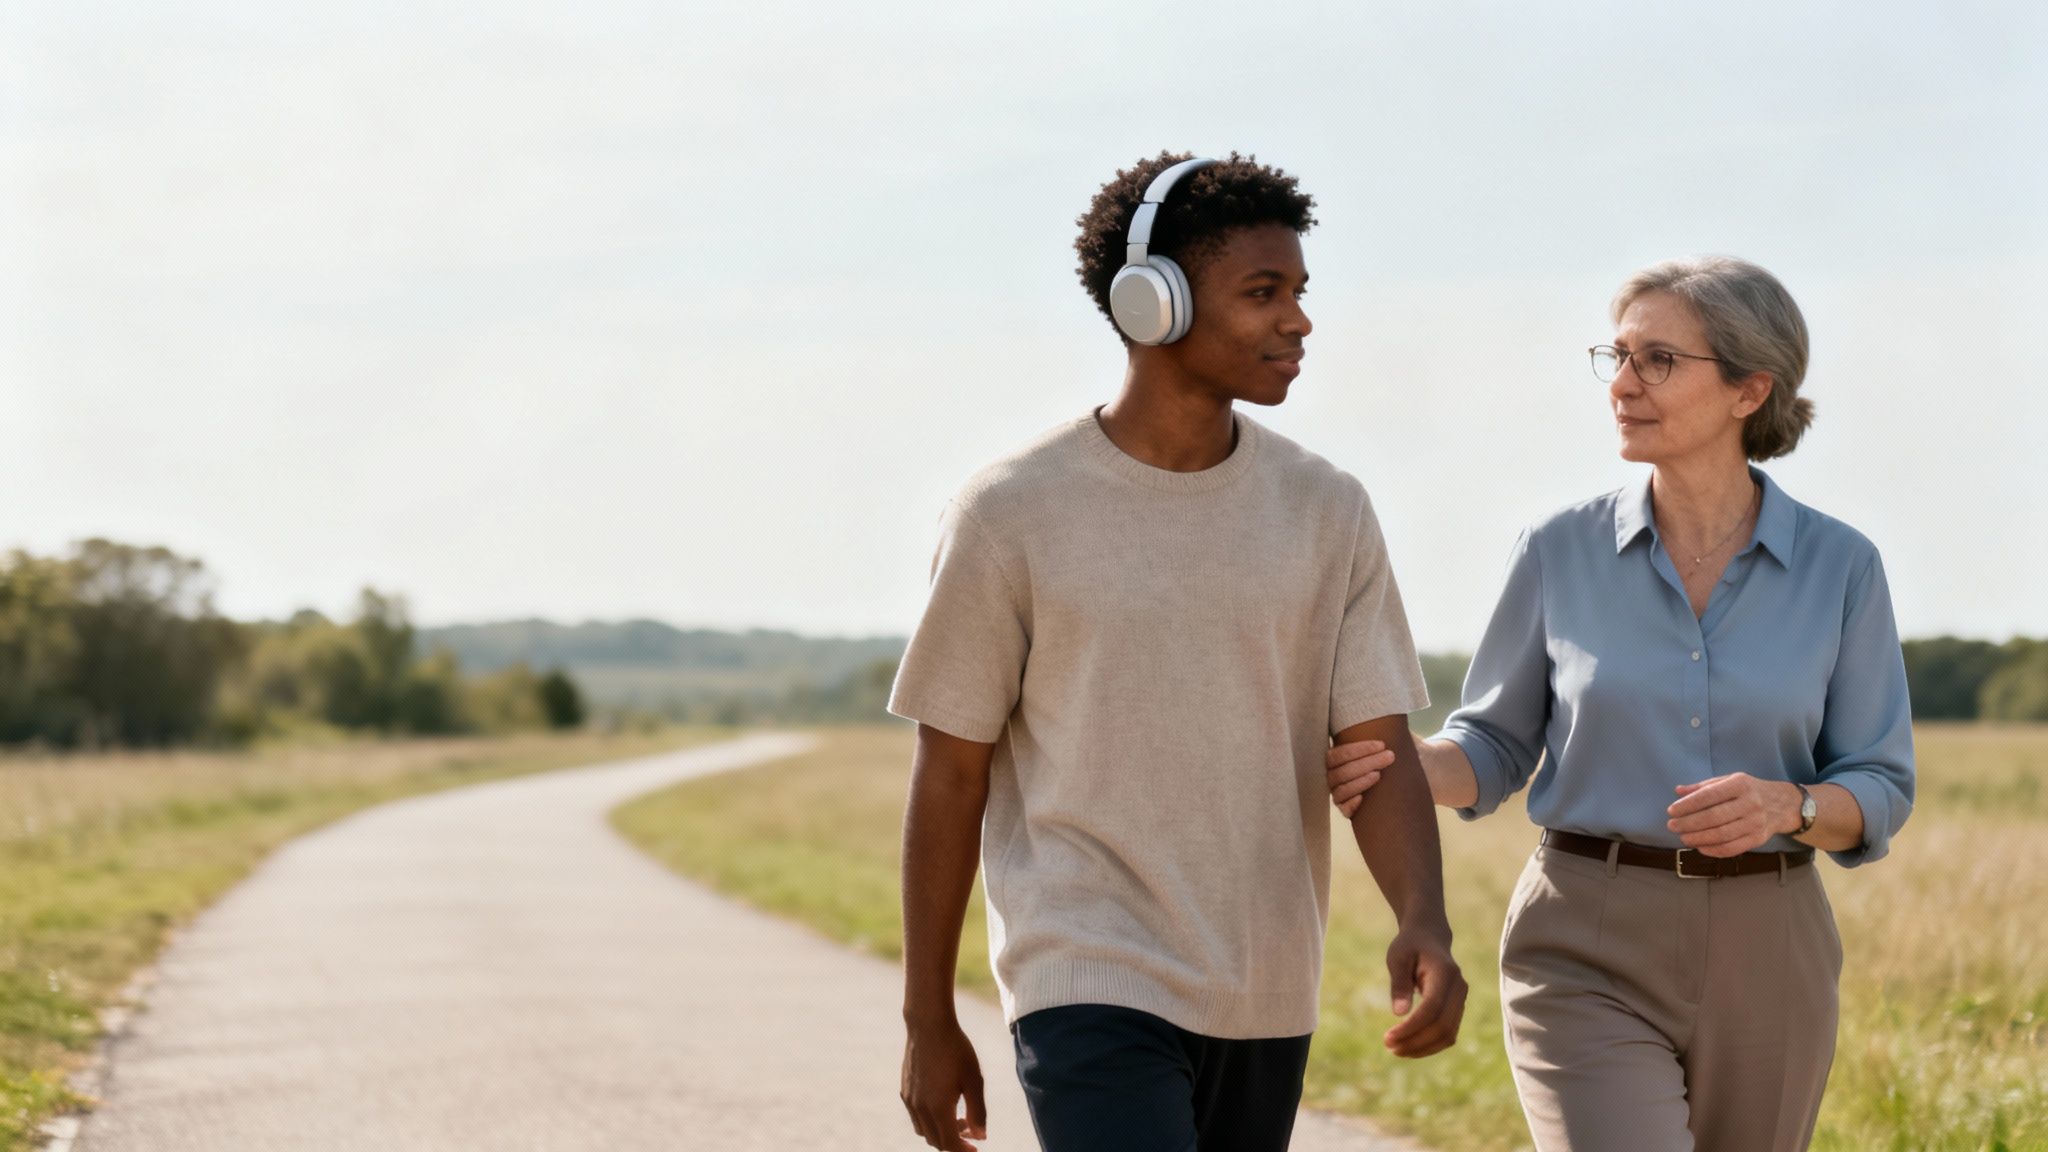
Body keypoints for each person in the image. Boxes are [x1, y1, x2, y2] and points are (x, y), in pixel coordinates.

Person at [889, 152, 1468, 1152]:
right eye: (1261, 292)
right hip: (1083, 967)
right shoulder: (1010, 513)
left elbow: (1376, 751)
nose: (1297, 319)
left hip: (1262, 980)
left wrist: (1424, 917)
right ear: (1150, 304)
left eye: (1297, 291)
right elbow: (950, 774)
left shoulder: (1326, 510)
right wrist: (924, 1016)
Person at [1325, 256, 1915, 1152]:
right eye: (1618, 356)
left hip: (1773, 947)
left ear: (1749, 389)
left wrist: (1787, 805)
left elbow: (1878, 779)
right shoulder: (1557, 548)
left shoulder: (1843, 567)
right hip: (1583, 938)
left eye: (1659, 361)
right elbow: (1490, 744)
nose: (1622, 385)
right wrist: (1399, 757)